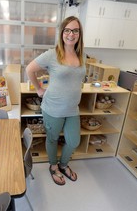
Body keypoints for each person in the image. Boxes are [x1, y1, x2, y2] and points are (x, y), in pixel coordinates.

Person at [26, 16, 86, 186]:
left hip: (72, 108)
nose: (71, 34)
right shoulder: (52, 54)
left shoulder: (82, 56)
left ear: (79, 34)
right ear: (62, 33)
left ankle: (63, 164)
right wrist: (38, 89)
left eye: (75, 30)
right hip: (53, 108)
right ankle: (53, 166)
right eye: (67, 30)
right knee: (52, 139)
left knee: (73, 141)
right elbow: (30, 69)